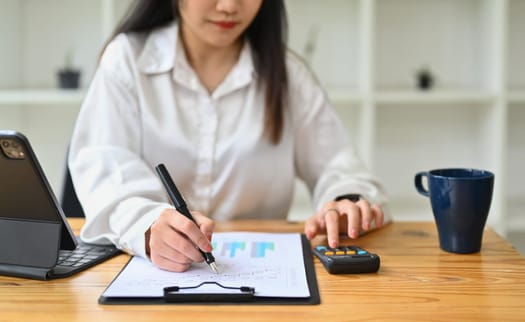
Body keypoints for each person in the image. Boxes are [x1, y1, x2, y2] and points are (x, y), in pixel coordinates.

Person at [68, 0, 390, 272]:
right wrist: (147, 225)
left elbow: (339, 165)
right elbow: (103, 166)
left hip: (260, 277)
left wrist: (346, 200)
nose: (229, 7)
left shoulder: (288, 73)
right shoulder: (127, 60)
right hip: (151, 273)